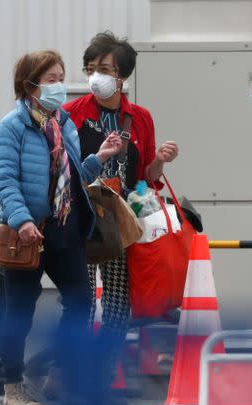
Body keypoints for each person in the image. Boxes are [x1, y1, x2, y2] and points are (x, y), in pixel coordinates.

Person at [0, 49, 123, 405]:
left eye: (61, 78)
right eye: (51, 80)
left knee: (81, 302)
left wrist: (100, 158)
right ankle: (12, 388)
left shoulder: (63, 123)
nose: (59, 86)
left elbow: (72, 179)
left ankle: (59, 376)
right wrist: (22, 221)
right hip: (25, 235)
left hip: (64, 229)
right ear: (29, 85)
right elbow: (5, 182)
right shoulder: (11, 127)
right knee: (18, 311)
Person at [63, 32, 179, 375]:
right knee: (79, 302)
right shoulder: (71, 114)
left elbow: (147, 176)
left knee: (117, 303)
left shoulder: (139, 117)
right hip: (81, 217)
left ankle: (103, 371)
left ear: (122, 76)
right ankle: (72, 372)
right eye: (90, 68)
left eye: (103, 68)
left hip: (121, 220)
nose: (94, 76)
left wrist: (160, 160)